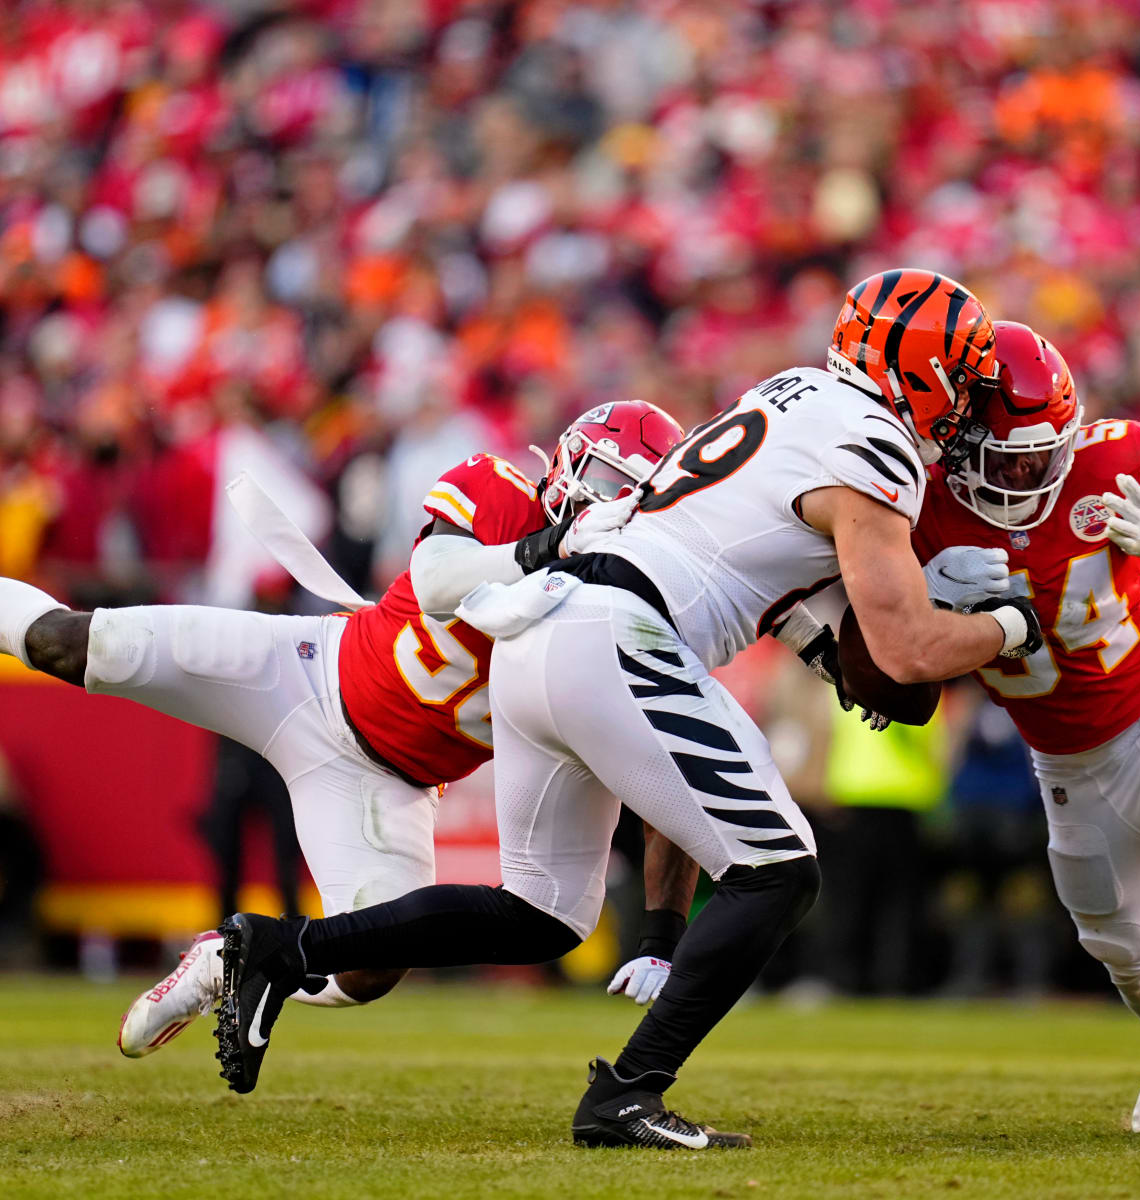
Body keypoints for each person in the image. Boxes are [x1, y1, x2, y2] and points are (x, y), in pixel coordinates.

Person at [211, 269, 1045, 1149]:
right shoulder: (874, 445)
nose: (967, 402)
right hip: (619, 629)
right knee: (781, 870)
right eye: (964, 376)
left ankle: (287, 949)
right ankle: (627, 1094)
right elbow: (908, 653)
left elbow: (863, 665)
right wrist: (1004, 624)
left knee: (542, 911)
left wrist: (919, 597)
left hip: (543, 629)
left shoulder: (793, 398)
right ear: (919, 370)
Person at [0, 400, 685, 1056]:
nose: (607, 502)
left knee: (368, 970)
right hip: (305, 675)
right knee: (77, 644)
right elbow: (439, 576)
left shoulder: (618, 605)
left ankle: (224, 962)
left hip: (391, 784)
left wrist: (662, 934)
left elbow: (660, 770)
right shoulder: (500, 489)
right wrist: (548, 548)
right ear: (565, 462)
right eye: (602, 479)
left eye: (630, 492)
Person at [911, 320, 1140, 1132]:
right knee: (1128, 956)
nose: (1029, 472)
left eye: (1044, 453)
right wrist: (926, 603)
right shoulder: (914, 508)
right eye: (1007, 459)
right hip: (1065, 759)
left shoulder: (1117, 456)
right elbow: (885, 664)